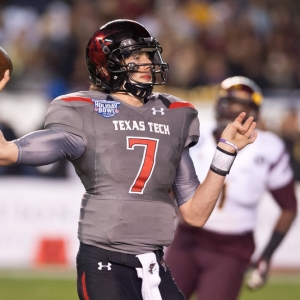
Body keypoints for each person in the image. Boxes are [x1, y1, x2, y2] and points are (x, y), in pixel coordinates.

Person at [0, 21, 257, 300]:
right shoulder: (84, 111)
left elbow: (195, 214)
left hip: (153, 264)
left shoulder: (174, 115)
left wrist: (226, 152)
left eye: (148, 54)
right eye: (135, 57)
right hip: (104, 263)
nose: (147, 63)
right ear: (105, 67)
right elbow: (6, 152)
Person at [165, 76, 297, 300]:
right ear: (218, 106)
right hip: (187, 238)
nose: (233, 113)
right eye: (229, 105)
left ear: (255, 112)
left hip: (231, 248)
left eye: (241, 109)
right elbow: (168, 187)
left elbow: (289, 207)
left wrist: (266, 256)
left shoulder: (269, 148)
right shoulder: (194, 136)